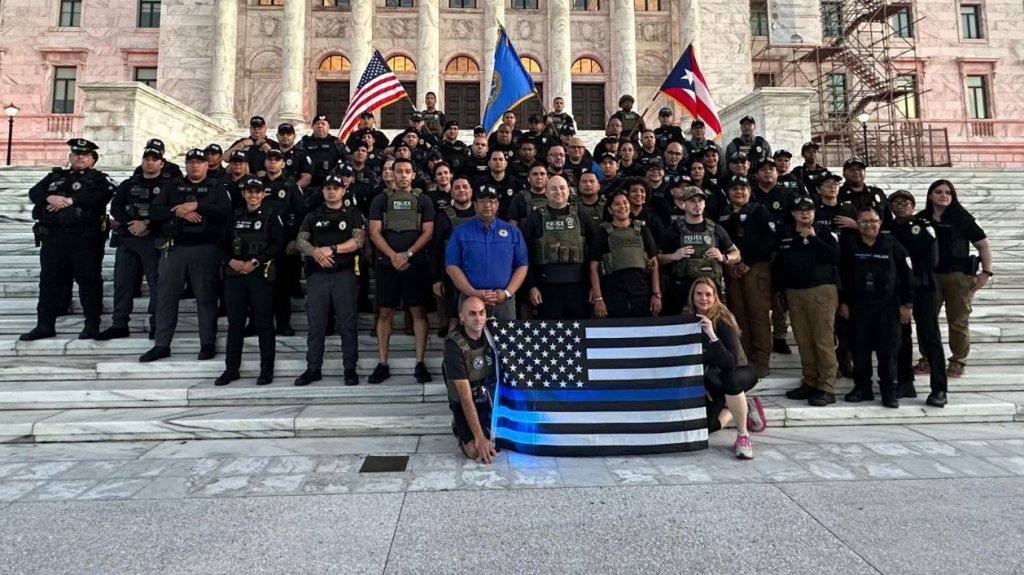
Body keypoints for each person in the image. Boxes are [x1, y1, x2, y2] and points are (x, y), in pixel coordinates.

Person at [139, 148, 232, 362]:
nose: (195, 166)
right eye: (190, 162)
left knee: (206, 299)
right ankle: (162, 345)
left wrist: (198, 206)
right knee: (166, 298)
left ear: (207, 165)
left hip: (205, 249)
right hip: (175, 248)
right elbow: (154, 212)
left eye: (199, 162)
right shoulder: (171, 186)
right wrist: (179, 210)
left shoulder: (217, 187)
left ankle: (207, 344)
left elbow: (226, 212)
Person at [22, 138, 115, 342]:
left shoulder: (100, 179)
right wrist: (49, 198)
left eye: (85, 154)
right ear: (70, 157)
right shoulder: (56, 177)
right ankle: (44, 325)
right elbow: (34, 192)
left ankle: (91, 326)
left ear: (93, 159)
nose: (80, 157)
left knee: (89, 283)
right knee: (49, 283)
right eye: (76, 154)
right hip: (54, 239)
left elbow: (102, 195)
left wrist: (72, 200)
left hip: (85, 240)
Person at [294, 174, 367, 387]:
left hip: (344, 275)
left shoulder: (353, 214)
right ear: (323, 191)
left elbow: (358, 241)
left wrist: (332, 250)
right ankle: (313, 368)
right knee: (316, 325)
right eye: (328, 188)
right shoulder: (313, 215)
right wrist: (317, 253)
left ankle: (350, 369)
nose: (332, 191)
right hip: (318, 276)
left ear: (344, 191)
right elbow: (300, 241)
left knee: (347, 324)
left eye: (336, 187)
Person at [368, 158, 435, 384]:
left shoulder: (423, 200)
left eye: (407, 172)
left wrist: (406, 254)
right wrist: (393, 256)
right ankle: (382, 362)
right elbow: (374, 232)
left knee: (418, 312)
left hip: (415, 265)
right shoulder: (380, 200)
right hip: (387, 265)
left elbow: (428, 232)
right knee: (385, 312)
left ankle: (420, 362)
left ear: (413, 175)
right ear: (392, 174)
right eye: (399, 171)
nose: (403, 175)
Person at [96, 146, 175, 341]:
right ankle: (119, 323)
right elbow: (116, 207)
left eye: (154, 159)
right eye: (146, 158)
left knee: (157, 286)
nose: (150, 162)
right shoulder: (129, 184)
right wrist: (130, 224)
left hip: (154, 240)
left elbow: (171, 211)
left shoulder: (171, 185)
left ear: (161, 163)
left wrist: (147, 224)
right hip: (129, 239)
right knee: (123, 284)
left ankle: (157, 326)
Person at [839, 207, 915, 408]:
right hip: (859, 307)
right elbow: (841, 276)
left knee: (888, 352)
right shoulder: (850, 245)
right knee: (859, 349)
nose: (869, 225)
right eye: (864, 221)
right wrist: (843, 302)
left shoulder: (892, 245)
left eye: (873, 221)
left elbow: (907, 276)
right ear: (858, 224)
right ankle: (862, 388)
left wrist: (907, 304)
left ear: (880, 222)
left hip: (887, 308)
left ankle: (888, 391)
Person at [918, 179, 992, 380]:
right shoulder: (921, 219)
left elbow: (983, 245)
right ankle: (927, 359)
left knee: (958, 321)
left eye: (948, 192)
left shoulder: (962, 218)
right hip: (930, 277)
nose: (944, 195)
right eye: (939, 191)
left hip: (957, 277)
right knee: (926, 320)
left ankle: (958, 360)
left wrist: (985, 273)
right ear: (930, 195)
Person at [216, 177, 284, 386]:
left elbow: (277, 244)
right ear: (244, 194)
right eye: (249, 192)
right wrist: (231, 261)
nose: (253, 196)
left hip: (259, 275)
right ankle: (231, 369)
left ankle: (266, 370)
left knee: (264, 324)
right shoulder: (234, 216)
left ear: (263, 194)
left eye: (257, 192)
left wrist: (256, 261)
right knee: (235, 324)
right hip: (235, 275)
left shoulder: (272, 216)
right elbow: (220, 245)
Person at [775, 196, 841, 406]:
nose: (805, 213)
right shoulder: (785, 233)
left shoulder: (824, 231)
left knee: (823, 340)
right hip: (794, 293)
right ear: (793, 213)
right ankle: (810, 380)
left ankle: (826, 386)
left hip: (820, 291)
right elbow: (781, 264)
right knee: (803, 340)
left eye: (809, 209)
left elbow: (834, 256)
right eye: (800, 210)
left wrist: (813, 238)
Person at [686, 278, 761, 460]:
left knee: (731, 380)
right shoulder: (687, 318)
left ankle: (743, 436)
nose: (703, 298)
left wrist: (711, 335)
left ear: (715, 297)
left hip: (739, 371)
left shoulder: (723, 319)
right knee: (708, 426)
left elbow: (730, 363)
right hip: (713, 379)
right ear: (692, 296)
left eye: (708, 294)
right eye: (699, 294)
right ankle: (742, 408)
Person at [888, 189, 948, 407]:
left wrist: (910, 285)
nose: (901, 205)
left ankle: (939, 389)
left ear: (913, 206)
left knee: (930, 337)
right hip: (897, 290)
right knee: (901, 338)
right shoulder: (889, 228)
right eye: (896, 202)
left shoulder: (923, 226)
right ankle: (905, 382)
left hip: (922, 288)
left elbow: (930, 258)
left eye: (906, 202)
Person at [717, 175, 776, 377]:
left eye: (743, 188)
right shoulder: (723, 214)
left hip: (755, 268)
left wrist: (747, 262)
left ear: (749, 191)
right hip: (732, 270)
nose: (738, 192)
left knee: (757, 314)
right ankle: (745, 357)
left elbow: (769, 239)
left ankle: (761, 361)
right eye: (734, 188)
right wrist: (729, 264)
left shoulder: (759, 210)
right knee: (738, 314)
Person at [445, 187, 529, 320]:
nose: (487, 205)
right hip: (471, 299)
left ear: (497, 205)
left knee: (504, 340)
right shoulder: (460, 232)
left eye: (492, 201)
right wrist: (472, 292)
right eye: (482, 201)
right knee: (471, 339)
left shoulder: (513, 232)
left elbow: (522, 265)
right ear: (475, 205)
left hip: (504, 301)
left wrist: (507, 293)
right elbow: (452, 265)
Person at [523, 175, 596, 320]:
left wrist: (593, 287)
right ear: (546, 192)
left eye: (562, 188)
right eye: (553, 188)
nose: (559, 192)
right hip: (546, 288)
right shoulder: (535, 217)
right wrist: (532, 286)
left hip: (579, 287)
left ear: (569, 191)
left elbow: (593, 252)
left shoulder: (581, 215)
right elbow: (526, 254)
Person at [657, 187, 740, 313]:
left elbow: (737, 253)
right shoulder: (673, 230)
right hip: (682, 289)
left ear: (705, 204)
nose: (697, 204)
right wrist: (674, 256)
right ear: (683, 204)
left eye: (700, 201)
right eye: (692, 201)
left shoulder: (716, 229)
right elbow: (657, 258)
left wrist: (724, 257)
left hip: (709, 290)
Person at [443, 296, 498, 463]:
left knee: (504, 441)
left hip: (488, 401)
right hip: (464, 404)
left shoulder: (492, 333)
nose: (478, 318)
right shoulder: (454, 347)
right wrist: (479, 438)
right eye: (472, 314)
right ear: (462, 317)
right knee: (475, 451)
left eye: (482, 313)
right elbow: (465, 398)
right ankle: (458, 428)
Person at [589, 191, 662, 318]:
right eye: (617, 204)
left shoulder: (642, 229)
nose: (622, 207)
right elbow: (593, 267)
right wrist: (599, 298)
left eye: (625, 203)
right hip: (613, 293)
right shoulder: (602, 232)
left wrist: (656, 294)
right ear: (610, 210)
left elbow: (654, 262)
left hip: (642, 292)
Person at [260, 148, 307, 335]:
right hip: (260, 243)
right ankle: (257, 323)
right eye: (269, 159)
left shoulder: (291, 186)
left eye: (276, 159)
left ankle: (283, 324)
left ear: (282, 163)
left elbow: (302, 214)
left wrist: (296, 240)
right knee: (259, 288)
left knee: (282, 287)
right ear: (265, 163)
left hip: (284, 243)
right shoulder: (256, 185)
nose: (272, 162)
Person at [275, 123, 313, 189]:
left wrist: (291, 190)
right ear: (277, 136)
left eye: (289, 133)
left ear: (294, 136)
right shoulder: (271, 154)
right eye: (282, 134)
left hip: (294, 192)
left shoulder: (302, 154)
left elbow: (306, 179)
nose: (285, 136)